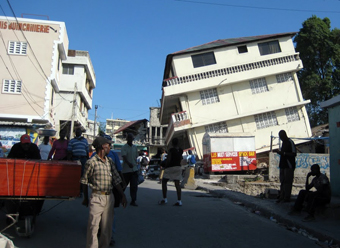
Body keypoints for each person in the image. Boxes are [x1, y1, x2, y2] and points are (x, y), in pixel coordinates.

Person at [81, 136, 127, 248]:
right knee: (93, 226)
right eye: (109, 145)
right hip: (96, 196)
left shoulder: (110, 162)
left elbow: (116, 180)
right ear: (103, 147)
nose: (110, 147)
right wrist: (86, 198)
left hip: (109, 197)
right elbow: (84, 181)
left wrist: (122, 195)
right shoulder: (91, 162)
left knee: (107, 228)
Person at [91, 144, 126, 246]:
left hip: (110, 189)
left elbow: (118, 171)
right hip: (97, 191)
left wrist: (122, 187)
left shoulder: (113, 156)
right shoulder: (93, 157)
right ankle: (97, 233)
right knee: (95, 216)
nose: (109, 148)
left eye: (110, 146)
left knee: (110, 214)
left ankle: (110, 236)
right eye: (108, 146)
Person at [158, 138, 183, 206]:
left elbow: (169, 160)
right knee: (177, 184)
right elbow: (180, 159)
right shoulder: (181, 150)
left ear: (172, 143)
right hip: (178, 167)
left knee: (164, 181)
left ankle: (165, 199)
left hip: (170, 167)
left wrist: (165, 166)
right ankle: (179, 200)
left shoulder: (171, 150)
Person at [275, 130, 296, 203]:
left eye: (281, 136)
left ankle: (287, 197)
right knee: (282, 181)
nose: (280, 138)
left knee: (288, 181)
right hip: (282, 165)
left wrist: (283, 153)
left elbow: (293, 154)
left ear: (284, 135)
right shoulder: (283, 143)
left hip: (289, 165)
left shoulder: (290, 142)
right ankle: (282, 196)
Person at [121, 133, 139, 206]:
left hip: (134, 170)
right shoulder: (124, 147)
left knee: (134, 186)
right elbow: (124, 157)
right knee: (123, 185)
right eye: (129, 138)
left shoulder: (135, 147)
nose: (130, 139)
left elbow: (136, 157)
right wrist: (128, 163)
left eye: (131, 138)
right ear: (127, 139)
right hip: (126, 170)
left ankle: (133, 200)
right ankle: (120, 197)